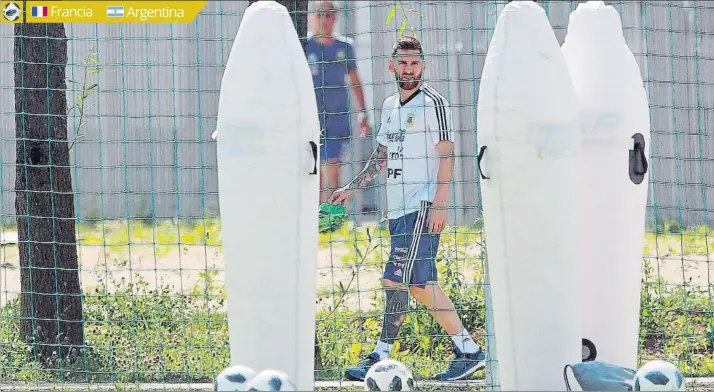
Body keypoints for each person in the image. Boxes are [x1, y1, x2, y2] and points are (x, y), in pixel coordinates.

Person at [330, 36, 486, 382]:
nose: (409, 69)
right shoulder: (389, 106)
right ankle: (469, 350)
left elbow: (447, 156)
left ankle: (379, 355)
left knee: (395, 279)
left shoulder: (434, 103)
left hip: (423, 206)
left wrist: (440, 205)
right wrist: (351, 188)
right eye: (403, 63)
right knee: (419, 284)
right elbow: (381, 157)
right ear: (392, 66)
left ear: (423, 66)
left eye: (415, 63)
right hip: (398, 210)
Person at [307, 0, 370, 204]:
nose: (324, 20)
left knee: (332, 171)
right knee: (313, 173)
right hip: (310, 121)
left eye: (329, 15)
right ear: (311, 17)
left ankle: (332, 221)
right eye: (320, 14)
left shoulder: (345, 47)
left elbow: (355, 81)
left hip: (337, 120)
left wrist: (363, 113)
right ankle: (315, 225)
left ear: (336, 18)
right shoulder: (305, 46)